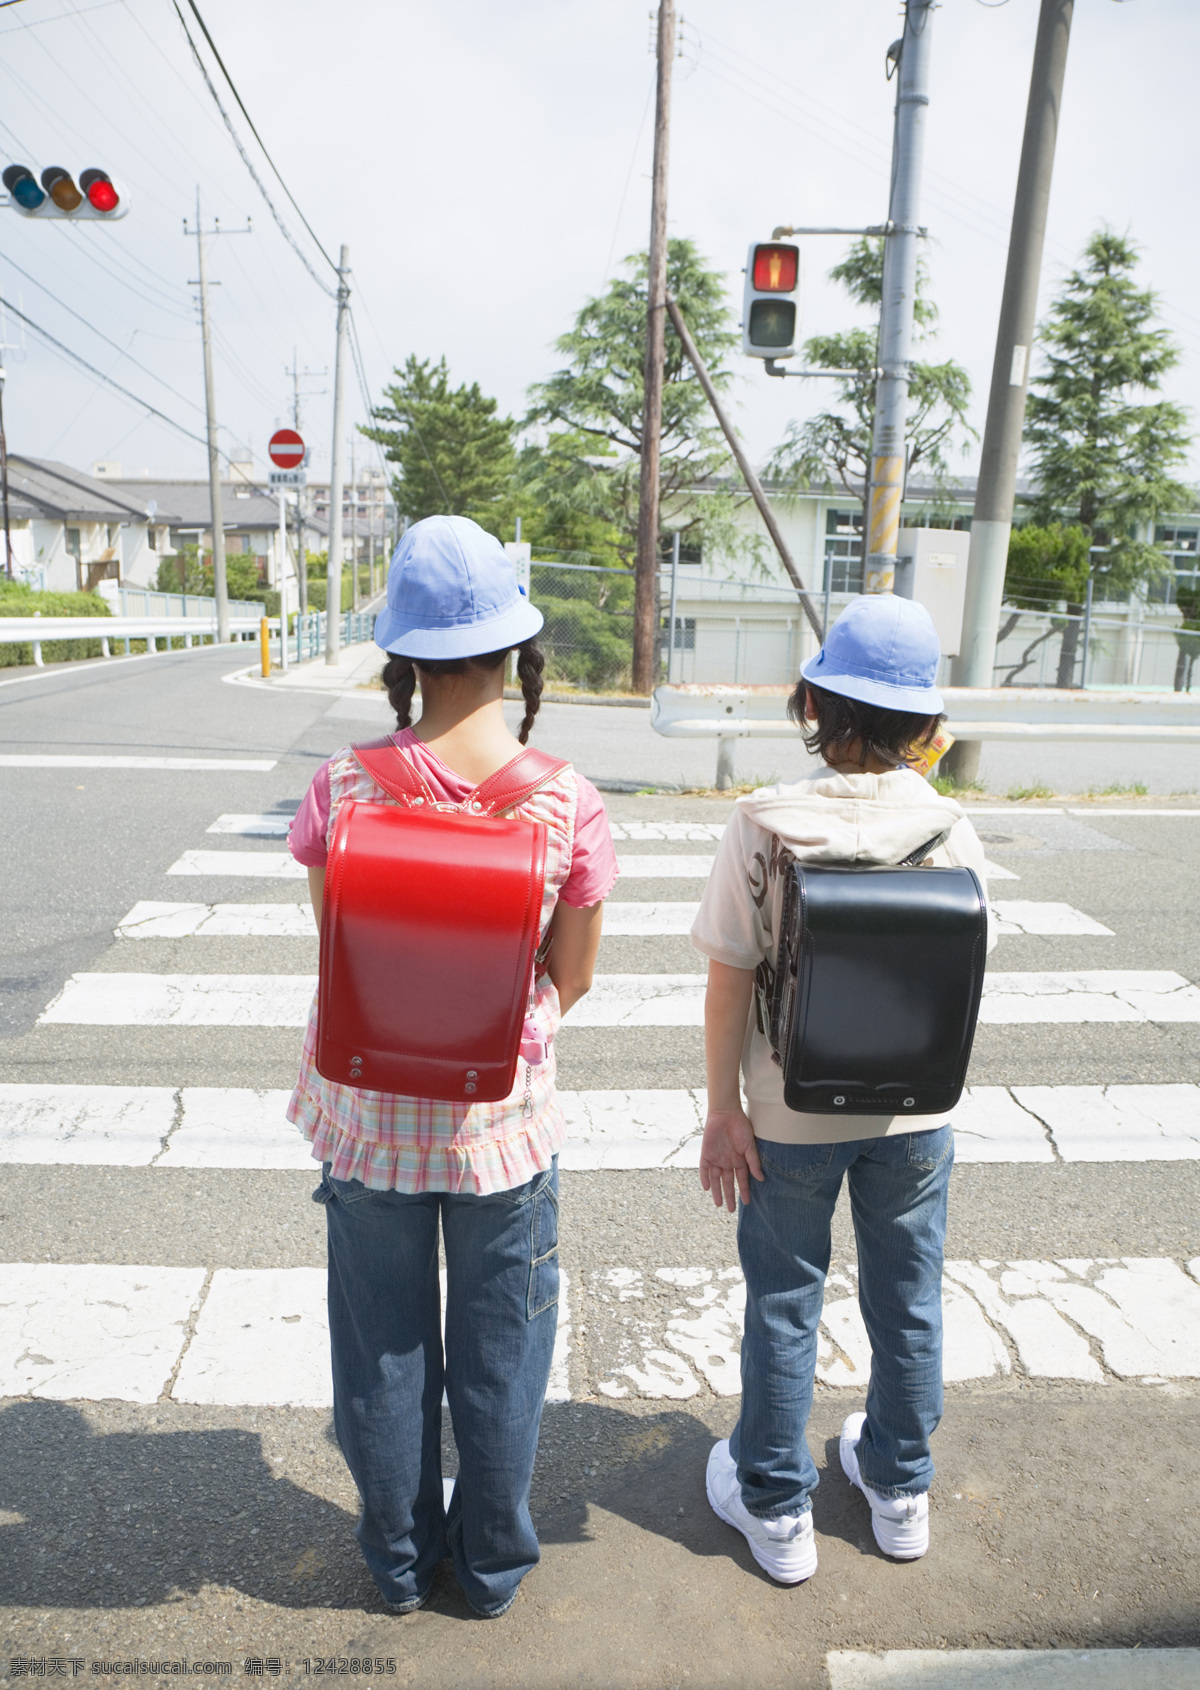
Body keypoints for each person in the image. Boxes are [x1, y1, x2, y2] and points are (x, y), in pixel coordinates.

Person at [286, 515, 618, 1617]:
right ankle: (486, 1571)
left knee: (382, 1351)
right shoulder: (566, 801)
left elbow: (338, 954)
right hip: (501, 1129)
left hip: (368, 1118)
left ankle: (393, 1566)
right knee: (502, 1355)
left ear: (405, 656)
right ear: (516, 653)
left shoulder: (343, 787)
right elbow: (571, 976)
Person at [689, 593, 995, 1584]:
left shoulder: (765, 822)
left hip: (792, 1110)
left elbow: (729, 975)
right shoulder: (953, 827)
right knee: (908, 1297)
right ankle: (900, 1487)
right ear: (926, 728)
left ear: (815, 704)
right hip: (917, 1110)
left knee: (784, 1297)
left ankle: (775, 1508)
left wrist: (725, 1111)